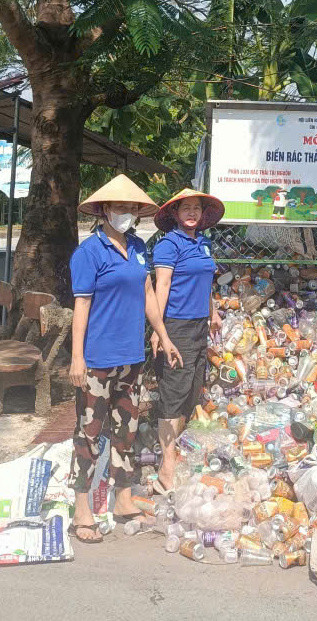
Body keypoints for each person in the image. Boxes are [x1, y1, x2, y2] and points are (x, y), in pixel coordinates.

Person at [68, 174, 183, 543]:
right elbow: (81, 306)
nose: (127, 213)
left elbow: (148, 291)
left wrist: (163, 336)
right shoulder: (88, 252)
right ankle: (82, 509)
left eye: (132, 208)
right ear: (103, 210)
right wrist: (76, 358)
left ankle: (121, 499)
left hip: (131, 358)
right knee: (89, 432)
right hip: (98, 359)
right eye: (120, 207)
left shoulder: (137, 246)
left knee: (126, 432)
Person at [150, 188, 224, 493]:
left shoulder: (203, 244)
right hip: (176, 326)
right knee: (173, 393)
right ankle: (166, 471)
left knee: (192, 390)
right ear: (175, 215)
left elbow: (205, 282)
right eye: (186, 209)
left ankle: (177, 455)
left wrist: (213, 311)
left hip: (199, 326)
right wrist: (158, 329)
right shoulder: (169, 245)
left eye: (196, 209)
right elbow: (162, 285)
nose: (192, 213)